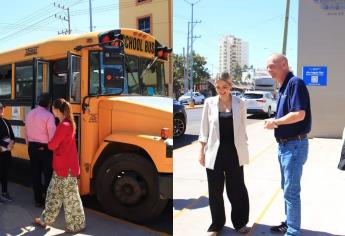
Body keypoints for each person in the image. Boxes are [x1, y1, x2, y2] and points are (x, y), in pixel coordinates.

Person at [264, 53, 311, 236]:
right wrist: (275, 120)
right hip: (285, 146)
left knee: (291, 191)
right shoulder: (283, 86)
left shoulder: (295, 83)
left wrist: (275, 123)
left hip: (294, 146)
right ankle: (289, 223)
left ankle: (293, 232)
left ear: (284, 64)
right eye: (267, 66)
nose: (269, 69)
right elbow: (288, 115)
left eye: (271, 66)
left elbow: (299, 114)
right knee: (286, 189)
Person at [199, 72, 250, 235]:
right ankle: (217, 224)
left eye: (225, 87)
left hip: (234, 152)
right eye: (218, 87)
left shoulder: (240, 103)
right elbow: (204, 129)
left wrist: (244, 148)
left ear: (231, 86)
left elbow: (243, 128)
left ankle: (240, 223)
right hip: (214, 152)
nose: (221, 90)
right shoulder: (209, 103)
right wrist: (201, 151)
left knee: (237, 189)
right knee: (215, 190)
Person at [34, 98, 85, 233]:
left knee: (71, 198)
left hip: (65, 168)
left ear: (56, 110)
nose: (51, 110)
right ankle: (45, 220)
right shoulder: (68, 124)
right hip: (62, 167)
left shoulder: (63, 126)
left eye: (52, 109)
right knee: (53, 195)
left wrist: (47, 142)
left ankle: (76, 225)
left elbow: (53, 145)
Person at [25, 93, 56, 207]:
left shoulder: (30, 113)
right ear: (49, 103)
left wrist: (30, 145)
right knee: (48, 175)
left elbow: (26, 131)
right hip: (45, 148)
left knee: (35, 174)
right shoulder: (49, 115)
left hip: (32, 147)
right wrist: (51, 147)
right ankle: (48, 201)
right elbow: (52, 134)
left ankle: (38, 200)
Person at [0, 102, 15, 203]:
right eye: (0, 108)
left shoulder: (6, 121)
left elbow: (12, 135)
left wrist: (12, 143)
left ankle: (4, 192)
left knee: (5, 173)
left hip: (6, 153)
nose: (2, 110)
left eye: (2, 108)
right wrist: (6, 145)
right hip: (1, 151)